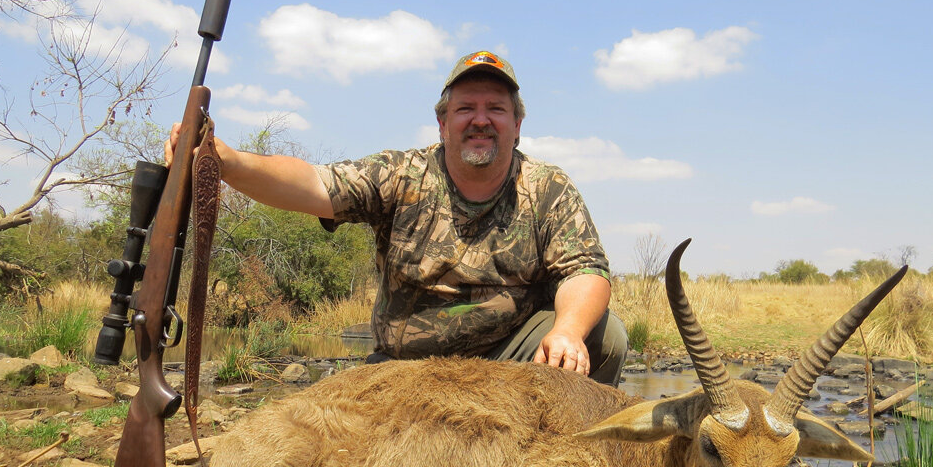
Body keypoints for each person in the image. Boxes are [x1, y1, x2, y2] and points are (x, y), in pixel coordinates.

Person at [167, 50, 627, 384]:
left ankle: (543, 458)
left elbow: (585, 270)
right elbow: (314, 184)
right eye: (466, 108)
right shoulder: (400, 174)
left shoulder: (548, 186)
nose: (481, 120)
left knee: (605, 338)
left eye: (496, 109)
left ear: (518, 125)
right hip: (404, 370)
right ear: (443, 124)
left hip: (509, 364)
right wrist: (223, 161)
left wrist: (567, 331)